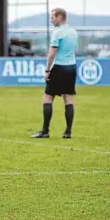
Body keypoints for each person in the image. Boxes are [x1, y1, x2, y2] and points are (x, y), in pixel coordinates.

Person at [31, 8, 78, 139]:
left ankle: (45, 131)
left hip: (59, 67)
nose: (51, 20)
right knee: (68, 99)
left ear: (59, 17)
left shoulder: (57, 33)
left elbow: (52, 53)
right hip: (71, 67)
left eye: (52, 18)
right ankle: (68, 132)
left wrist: (47, 70)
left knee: (47, 98)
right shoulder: (73, 32)